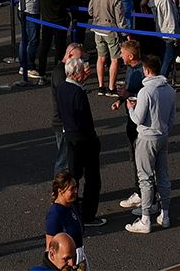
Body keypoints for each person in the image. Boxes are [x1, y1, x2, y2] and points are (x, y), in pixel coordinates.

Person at [53, 46, 103, 226]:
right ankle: (89, 215)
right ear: (75, 74)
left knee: (73, 175)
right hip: (84, 140)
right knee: (93, 180)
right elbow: (85, 120)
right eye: (82, 71)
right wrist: (94, 139)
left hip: (70, 137)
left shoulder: (62, 88)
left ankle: (68, 209)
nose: (85, 74)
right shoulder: (78, 94)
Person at [125, 54, 175, 235]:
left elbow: (138, 119)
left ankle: (145, 218)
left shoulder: (145, 91)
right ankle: (165, 214)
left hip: (146, 138)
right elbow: (172, 117)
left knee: (145, 178)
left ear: (146, 70)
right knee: (163, 176)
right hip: (162, 136)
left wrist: (131, 108)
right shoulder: (169, 90)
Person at [46, 172, 90, 271]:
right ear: (60, 191)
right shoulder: (55, 215)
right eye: (71, 189)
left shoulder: (71, 205)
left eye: (76, 187)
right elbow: (50, 248)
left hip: (78, 258)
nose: (76, 191)